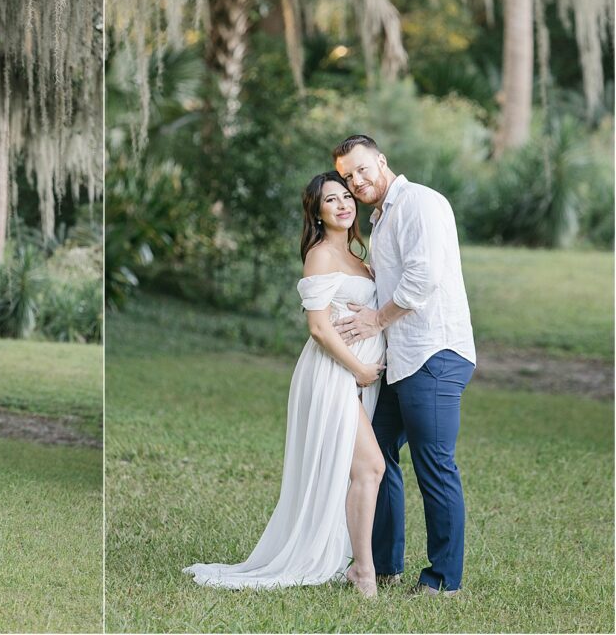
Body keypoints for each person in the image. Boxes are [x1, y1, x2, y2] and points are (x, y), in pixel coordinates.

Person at [184, 172, 386, 597]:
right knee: (370, 467)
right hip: (334, 374)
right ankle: (364, 572)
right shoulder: (320, 255)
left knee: (354, 470)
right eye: (331, 200)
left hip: (355, 376)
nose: (343, 205)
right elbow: (318, 328)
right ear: (316, 213)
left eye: (346, 197)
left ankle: (355, 563)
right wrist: (360, 371)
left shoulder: (355, 253)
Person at [332, 134, 476, 597]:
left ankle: (443, 581)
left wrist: (375, 319)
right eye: (347, 177)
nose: (356, 181)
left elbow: (423, 279)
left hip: (434, 354)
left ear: (381, 160)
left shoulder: (419, 203)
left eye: (361, 170)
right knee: (377, 454)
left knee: (434, 464)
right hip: (402, 359)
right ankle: (385, 564)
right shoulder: (383, 218)